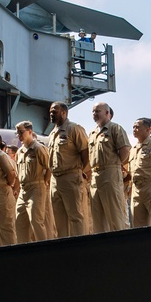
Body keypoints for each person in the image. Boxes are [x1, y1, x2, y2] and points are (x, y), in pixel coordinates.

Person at [48, 101, 90, 237]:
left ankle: (81, 249)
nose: (51, 114)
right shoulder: (52, 133)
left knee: (76, 216)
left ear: (64, 113)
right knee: (59, 219)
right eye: (50, 111)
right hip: (56, 179)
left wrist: (79, 172)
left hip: (71, 177)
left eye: (54, 111)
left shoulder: (74, 129)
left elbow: (86, 154)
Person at [88, 102, 131, 233]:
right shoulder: (92, 133)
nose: (95, 114)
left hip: (110, 173)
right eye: (93, 112)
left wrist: (114, 164)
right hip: (95, 176)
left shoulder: (115, 128)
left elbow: (125, 150)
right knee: (98, 218)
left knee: (115, 215)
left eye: (98, 111)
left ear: (107, 113)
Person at [14, 121, 51, 243]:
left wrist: (44, 183)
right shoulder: (19, 152)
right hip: (23, 190)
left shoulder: (38, 148)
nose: (19, 135)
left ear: (30, 131)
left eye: (21, 132)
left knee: (36, 221)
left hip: (36, 187)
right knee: (20, 223)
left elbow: (48, 167)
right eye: (17, 132)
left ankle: (44, 250)